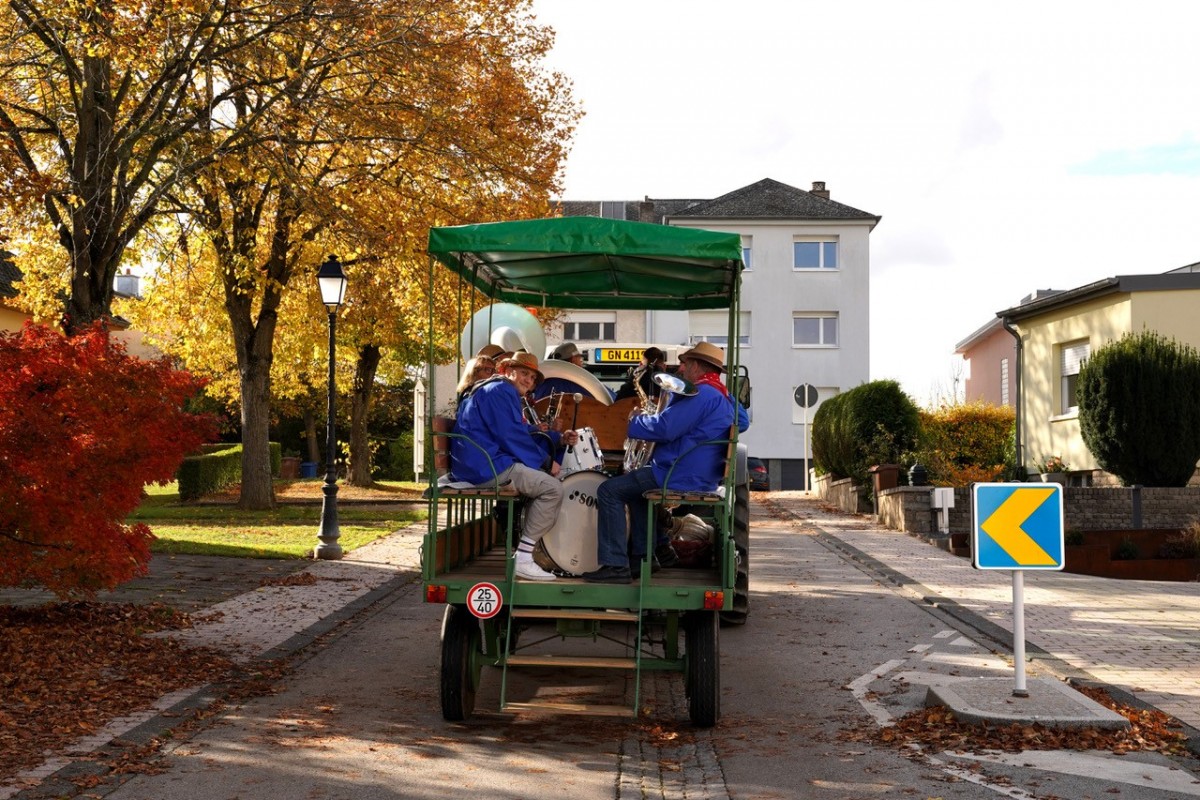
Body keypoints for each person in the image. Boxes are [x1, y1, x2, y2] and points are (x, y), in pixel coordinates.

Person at [582, 342, 739, 584]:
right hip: (696, 472)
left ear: (697, 365)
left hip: (679, 473)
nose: (681, 368)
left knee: (609, 491)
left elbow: (665, 428)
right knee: (636, 491)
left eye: (685, 363)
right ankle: (645, 557)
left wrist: (634, 422)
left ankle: (615, 565)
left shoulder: (702, 394)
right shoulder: (720, 395)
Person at [451, 351, 579, 581]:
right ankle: (524, 558)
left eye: (532, 377)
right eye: (523, 373)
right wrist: (547, 462)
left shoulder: (496, 389)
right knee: (552, 489)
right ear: (507, 371)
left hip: (480, 460)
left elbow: (517, 431)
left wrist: (557, 438)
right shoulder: (499, 391)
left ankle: (532, 551)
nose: (528, 380)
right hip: (485, 466)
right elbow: (510, 435)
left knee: (542, 482)